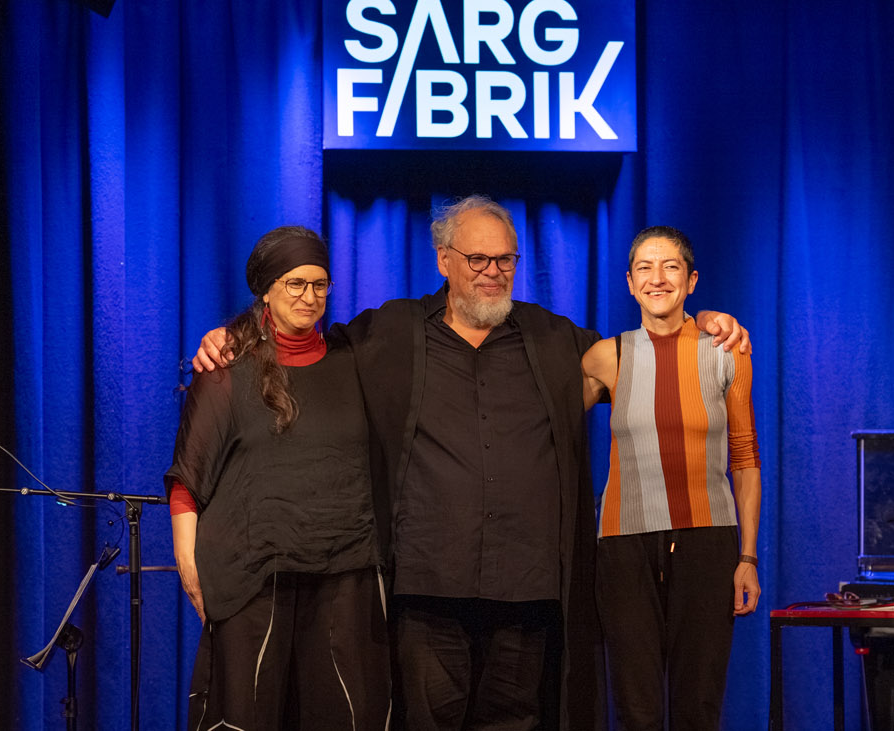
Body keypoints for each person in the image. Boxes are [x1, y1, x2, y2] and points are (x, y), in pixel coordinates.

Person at [194, 199, 750, 730]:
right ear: (444, 260)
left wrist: (708, 323)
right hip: (429, 589)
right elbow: (305, 345)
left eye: (504, 259)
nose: (492, 272)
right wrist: (234, 336)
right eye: (477, 259)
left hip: (525, 590)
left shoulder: (553, 338)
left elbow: (647, 355)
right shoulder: (391, 331)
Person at [165, 226, 389, 731]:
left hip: (344, 574)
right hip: (253, 578)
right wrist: (188, 564)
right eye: (295, 284)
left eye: (319, 284)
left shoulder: (353, 360)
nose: (309, 297)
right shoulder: (227, 369)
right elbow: (189, 476)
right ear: (266, 289)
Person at [580, 225, 761, 730]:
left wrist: (747, 558)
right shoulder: (606, 356)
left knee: (698, 706)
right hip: (623, 548)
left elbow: (745, 457)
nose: (657, 278)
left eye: (670, 267)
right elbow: (541, 425)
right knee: (636, 708)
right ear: (629, 283)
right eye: (644, 268)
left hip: (708, 542)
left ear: (691, 280)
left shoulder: (726, 349)